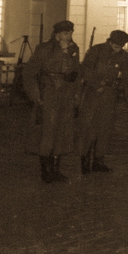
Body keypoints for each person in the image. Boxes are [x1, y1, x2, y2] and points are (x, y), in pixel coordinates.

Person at [22, 20, 81, 183]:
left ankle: (56, 169)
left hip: (66, 95)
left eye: (70, 33)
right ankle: (46, 171)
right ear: (56, 35)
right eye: (65, 33)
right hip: (48, 94)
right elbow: (29, 73)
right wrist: (36, 95)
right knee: (48, 131)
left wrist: (76, 95)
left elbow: (77, 74)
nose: (68, 37)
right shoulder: (45, 49)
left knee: (62, 131)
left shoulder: (74, 49)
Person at [76, 29, 128, 174]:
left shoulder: (123, 55)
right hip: (93, 94)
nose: (118, 49)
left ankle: (99, 160)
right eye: (116, 46)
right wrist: (96, 84)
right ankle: (84, 159)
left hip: (109, 95)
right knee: (90, 127)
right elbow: (86, 69)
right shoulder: (96, 51)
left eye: (120, 47)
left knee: (105, 128)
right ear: (110, 42)